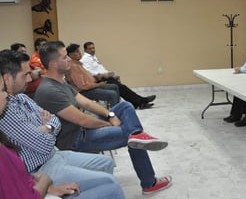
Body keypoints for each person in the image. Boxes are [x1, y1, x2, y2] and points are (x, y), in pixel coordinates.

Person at [35, 41, 172, 194]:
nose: (69, 59)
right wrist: (108, 124)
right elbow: (82, 119)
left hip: (83, 131)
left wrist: (110, 114)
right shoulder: (49, 90)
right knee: (131, 138)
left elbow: (85, 103)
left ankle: (137, 135)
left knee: (126, 107)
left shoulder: (60, 83)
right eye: (65, 57)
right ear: (53, 63)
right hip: (76, 140)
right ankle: (149, 183)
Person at [0, 49, 126, 199]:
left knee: (106, 163)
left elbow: (54, 120)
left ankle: (135, 135)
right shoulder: (7, 111)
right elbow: (44, 143)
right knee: (110, 183)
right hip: (44, 165)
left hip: (56, 153)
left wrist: (46, 128)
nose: (30, 79)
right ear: (7, 79)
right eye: (25, 75)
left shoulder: (23, 97)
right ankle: (134, 136)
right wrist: (108, 123)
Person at [80, 41, 155, 110]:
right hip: (99, 79)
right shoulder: (85, 59)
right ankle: (141, 102)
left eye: (93, 48)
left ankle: (140, 102)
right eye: (90, 49)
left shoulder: (93, 57)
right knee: (121, 87)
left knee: (122, 87)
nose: (92, 50)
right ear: (85, 50)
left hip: (106, 77)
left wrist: (111, 74)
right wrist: (102, 75)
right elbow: (89, 72)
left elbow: (101, 68)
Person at [65, 43, 120, 108]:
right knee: (112, 94)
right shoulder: (73, 67)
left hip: (90, 87)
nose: (80, 53)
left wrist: (97, 77)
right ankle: (112, 115)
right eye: (77, 52)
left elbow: (86, 78)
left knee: (114, 86)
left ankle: (115, 109)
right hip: (84, 92)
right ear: (71, 55)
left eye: (79, 51)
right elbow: (82, 86)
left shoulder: (78, 64)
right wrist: (98, 85)